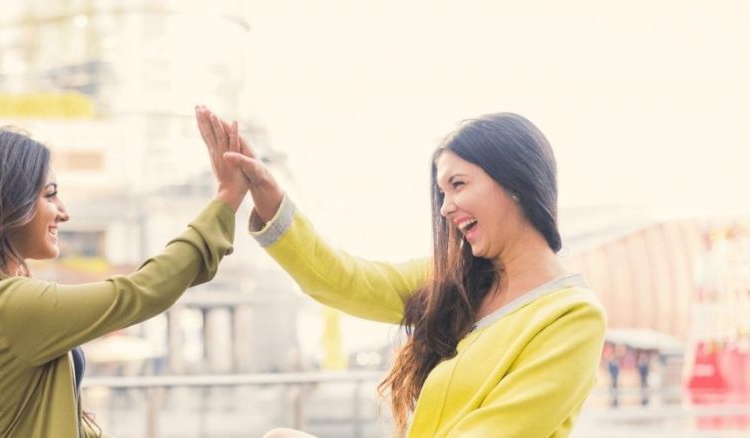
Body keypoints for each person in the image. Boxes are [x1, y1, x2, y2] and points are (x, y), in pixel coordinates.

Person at [197, 110, 607, 437]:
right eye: (442, 192)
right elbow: (343, 280)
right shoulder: (454, 283)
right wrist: (269, 199)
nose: (445, 207)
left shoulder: (571, 317)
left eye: (458, 184)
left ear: (515, 182)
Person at [0, 113, 247, 437]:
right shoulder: (4, 307)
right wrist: (228, 197)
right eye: (50, 194)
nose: (63, 212)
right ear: (6, 205)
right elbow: (141, 292)